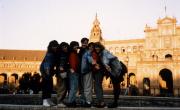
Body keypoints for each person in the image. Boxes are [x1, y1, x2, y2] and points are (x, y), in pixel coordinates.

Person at [94, 42, 126, 108]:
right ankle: (115, 102)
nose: (96, 48)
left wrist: (106, 66)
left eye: (98, 47)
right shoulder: (102, 53)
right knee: (116, 86)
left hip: (116, 70)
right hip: (115, 70)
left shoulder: (104, 52)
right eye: (95, 47)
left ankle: (115, 103)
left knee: (116, 86)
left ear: (100, 47)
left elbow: (105, 61)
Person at [40, 40, 58, 107]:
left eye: (56, 46)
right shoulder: (50, 54)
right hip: (46, 71)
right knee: (46, 86)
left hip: (49, 71)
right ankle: (45, 101)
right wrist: (48, 72)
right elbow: (47, 64)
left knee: (50, 86)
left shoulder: (53, 53)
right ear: (51, 47)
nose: (55, 47)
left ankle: (49, 100)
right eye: (54, 46)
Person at [81, 42, 95, 107]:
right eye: (90, 47)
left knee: (86, 87)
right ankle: (88, 102)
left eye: (93, 47)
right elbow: (91, 61)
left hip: (84, 71)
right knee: (88, 87)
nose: (91, 48)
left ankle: (87, 101)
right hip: (87, 71)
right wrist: (96, 64)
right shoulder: (88, 53)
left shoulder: (85, 53)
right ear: (88, 47)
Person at [66, 41, 80, 107]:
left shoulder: (74, 53)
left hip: (74, 72)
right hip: (73, 72)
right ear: (72, 46)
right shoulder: (72, 53)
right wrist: (73, 70)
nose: (76, 47)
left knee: (74, 87)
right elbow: (73, 64)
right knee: (73, 87)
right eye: (75, 45)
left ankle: (72, 101)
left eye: (77, 45)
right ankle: (70, 102)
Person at [56, 42, 69, 107]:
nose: (65, 48)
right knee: (62, 87)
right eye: (64, 47)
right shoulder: (62, 54)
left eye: (66, 47)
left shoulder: (64, 54)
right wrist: (62, 70)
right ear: (61, 48)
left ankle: (60, 101)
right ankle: (59, 102)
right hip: (62, 72)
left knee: (63, 87)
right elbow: (61, 65)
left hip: (62, 72)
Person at [78, 37, 89, 104]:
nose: (85, 44)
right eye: (84, 42)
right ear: (82, 43)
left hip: (85, 69)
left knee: (85, 85)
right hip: (80, 70)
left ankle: (85, 99)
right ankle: (83, 99)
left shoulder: (86, 49)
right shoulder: (81, 50)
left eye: (86, 43)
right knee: (82, 85)